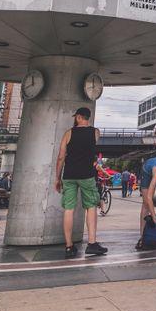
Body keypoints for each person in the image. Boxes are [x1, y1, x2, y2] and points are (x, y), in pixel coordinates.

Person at [54, 107, 107, 258]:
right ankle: (92, 244)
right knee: (90, 206)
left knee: (68, 209)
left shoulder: (68, 133)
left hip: (69, 175)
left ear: (77, 117)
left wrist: (57, 178)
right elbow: (90, 147)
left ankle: (69, 247)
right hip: (87, 175)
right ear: (88, 117)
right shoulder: (95, 132)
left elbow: (60, 157)